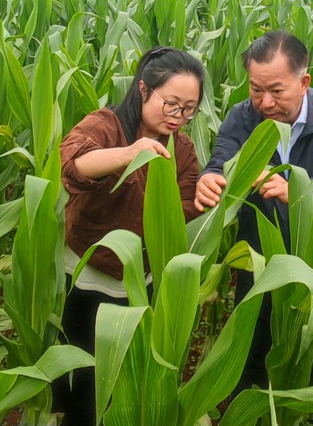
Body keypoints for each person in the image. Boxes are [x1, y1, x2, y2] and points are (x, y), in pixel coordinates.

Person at [194, 30, 313, 425]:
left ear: (304, 82)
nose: (265, 102)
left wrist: (298, 191)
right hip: (260, 263)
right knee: (250, 360)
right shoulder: (242, 116)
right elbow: (220, 161)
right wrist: (210, 178)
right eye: (256, 90)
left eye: (277, 91)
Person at [56, 46, 205, 425]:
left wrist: (208, 196)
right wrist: (129, 153)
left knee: (127, 374)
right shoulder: (106, 125)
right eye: (171, 104)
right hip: (91, 274)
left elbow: (184, 206)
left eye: (189, 109)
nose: (179, 116)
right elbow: (75, 164)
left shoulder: (183, 150)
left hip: (144, 280)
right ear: (143, 89)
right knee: (84, 373)